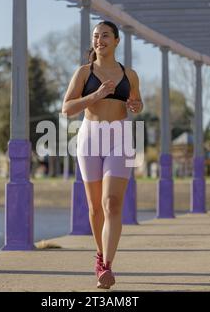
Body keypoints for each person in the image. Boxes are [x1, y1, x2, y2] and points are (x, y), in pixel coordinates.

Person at [61, 21, 143, 289]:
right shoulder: (84, 73)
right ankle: (100, 255)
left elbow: (137, 103)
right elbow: (67, 108)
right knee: (96, 208)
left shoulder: (129, 74)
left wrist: (135, 105)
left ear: (117, 41)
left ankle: (106, 266)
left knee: (112, 203)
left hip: (120, 138)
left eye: (105, 36)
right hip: (90, 139)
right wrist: (95, 95)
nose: (100, 40)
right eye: (96, 36)